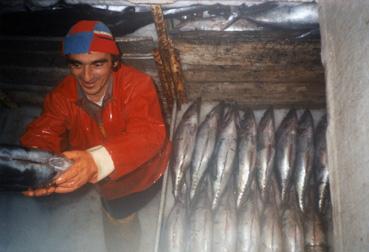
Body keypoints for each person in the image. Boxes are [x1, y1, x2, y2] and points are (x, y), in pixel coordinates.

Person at [20, 20, 171, 252]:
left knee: (121, 217)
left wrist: (94, 162)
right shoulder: (62, 96)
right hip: (106, 185)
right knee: (118, 217)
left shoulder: (138, 85)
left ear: (114, 62)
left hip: (147, 173)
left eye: (98, 64)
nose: (87, 76)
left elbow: (148, 134)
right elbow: (44, 130)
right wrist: (34, 167)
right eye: (77, 65)